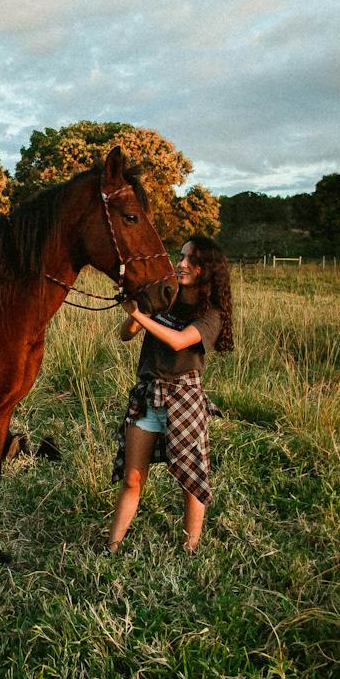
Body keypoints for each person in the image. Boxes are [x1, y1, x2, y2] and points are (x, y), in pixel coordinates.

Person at [105, 235, 235, 552]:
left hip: (184, 398)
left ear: (208, 269)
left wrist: (139, 316)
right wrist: (136, 311)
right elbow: (125, 335)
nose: (182, 264)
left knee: (190, 480)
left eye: (192, 260)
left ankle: (190, 548)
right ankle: (112, 546)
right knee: (133, 479)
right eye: (182, 257)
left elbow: (179, 341)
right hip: (148, 396)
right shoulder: (166, 297)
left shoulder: (212, 313)